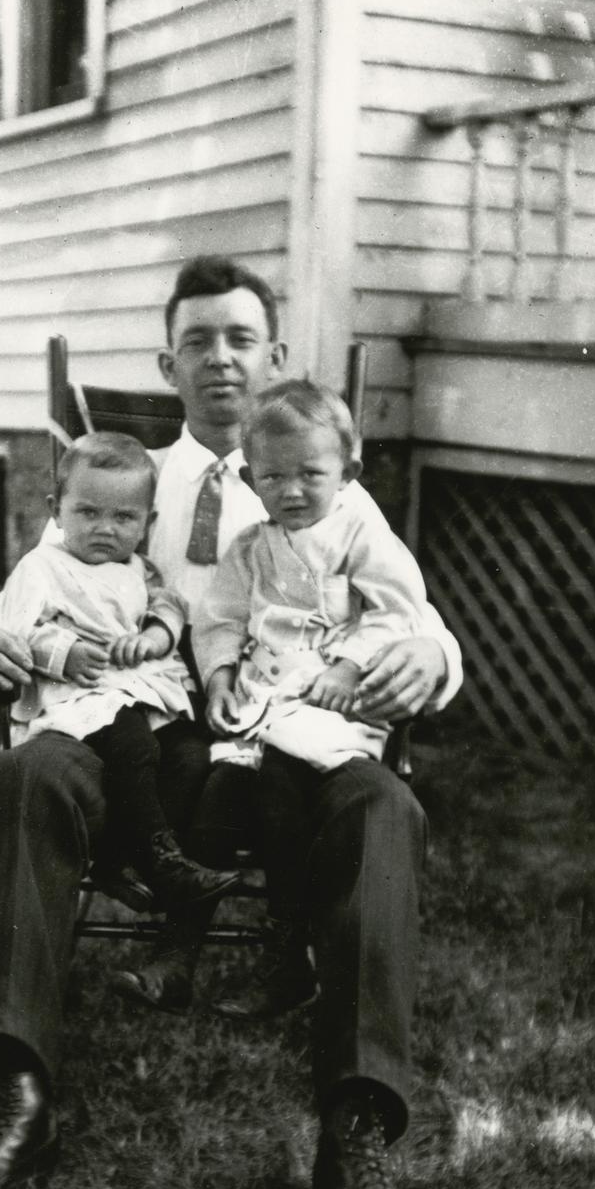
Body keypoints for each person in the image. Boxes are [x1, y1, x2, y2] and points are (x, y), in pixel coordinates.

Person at [0, 256, 461, 1189]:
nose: (220, 359)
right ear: (168, 365)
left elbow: (416, 618)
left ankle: (354, 1138)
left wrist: (430, 658)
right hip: (134, 724)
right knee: (27, 775)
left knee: (383, 806)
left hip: (284, 732)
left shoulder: (321, 485)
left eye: (240, 338)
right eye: (197, 341)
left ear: (274, 357)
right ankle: (17, 1102)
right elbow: (32, 595)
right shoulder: (119, 481)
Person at [192, 378, 433, 1027]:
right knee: (228, 790)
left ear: (347, 472)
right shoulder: (251, 547)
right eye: (273, 477)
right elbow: (218, 619)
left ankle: (286, 947)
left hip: (335, 707)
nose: (292, 491)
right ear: (250, 479)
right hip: (264, 702)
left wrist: (351, 665)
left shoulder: (361, 535)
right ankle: (187, 941)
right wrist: (218, 678)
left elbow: (401, 610)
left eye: (310, 474)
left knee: (279, 783)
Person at [0, 427, 240, 914]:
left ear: (148, 523)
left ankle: (120, 858)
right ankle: (160, 860)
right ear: (55, 510)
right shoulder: (43, 568)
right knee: (134, 743)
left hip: (138, 691)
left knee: (190, 755)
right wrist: (63, 651)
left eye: (123, 517)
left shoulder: (140, 570)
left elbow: (168, 606)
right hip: (82, 694)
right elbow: (14, 629)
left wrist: (155, 637)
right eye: (88, 512)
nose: (105, 528)